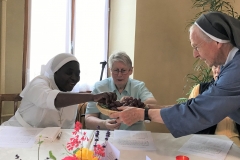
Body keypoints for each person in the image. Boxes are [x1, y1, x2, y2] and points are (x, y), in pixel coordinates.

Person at [110, 11, 240, 138]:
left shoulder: (235, 71)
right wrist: (153, 109)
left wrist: (143, 114)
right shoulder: (230, 65)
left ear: (217, 42)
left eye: (196, 47)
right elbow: (197, 104)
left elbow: (198, 111)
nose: (195, 55)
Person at [2, 53, 116, 129]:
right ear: (55, 72)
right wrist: (92, 97)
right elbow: (53, 99)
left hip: (47, 143)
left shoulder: (70, 95)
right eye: (69, 72)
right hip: (18, 134)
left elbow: (67, 129)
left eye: (77, 74)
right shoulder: (39, 83)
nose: (74, 78)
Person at [85, 51, 157, 130]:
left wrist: (133, 103)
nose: (119, 74)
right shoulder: (99, 87)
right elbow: (88, 119)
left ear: (130, 71)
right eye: (116, 70)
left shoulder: (139, 86)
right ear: (110, 70)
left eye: (123, 70)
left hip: (135, 136)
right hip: (108, 137)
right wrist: (104, 123)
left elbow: (152, 104)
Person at [189, 65, 240, 146]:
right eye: (215, 66)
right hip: (207, 141)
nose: (218, 71)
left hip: (235, 142)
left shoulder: (237, 90)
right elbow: (190, 120)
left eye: (223, 67)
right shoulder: (199, 89)